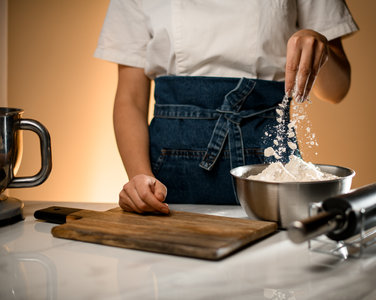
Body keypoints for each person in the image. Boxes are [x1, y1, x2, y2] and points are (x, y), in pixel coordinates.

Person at [94, 0, 358, 214]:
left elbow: (336, 89)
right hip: (168, 172)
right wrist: (139, 177)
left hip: (271, 165)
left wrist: (318, 44)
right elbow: (130, 98)